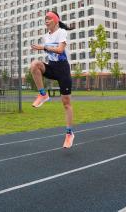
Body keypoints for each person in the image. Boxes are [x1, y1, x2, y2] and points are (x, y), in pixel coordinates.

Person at [30, 10, 75, 148]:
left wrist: (44, 47)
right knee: (34, 65)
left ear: (55, 20)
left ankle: (69, 133)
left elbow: (60, 50)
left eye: (48, 18)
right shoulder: (45, 36)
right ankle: (43, 95)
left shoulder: (61, 32)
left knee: (66, 103)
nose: (46, 21)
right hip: (52, 66)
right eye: (45, 19)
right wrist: (44, 47)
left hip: (63, 69)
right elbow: (50, 53)